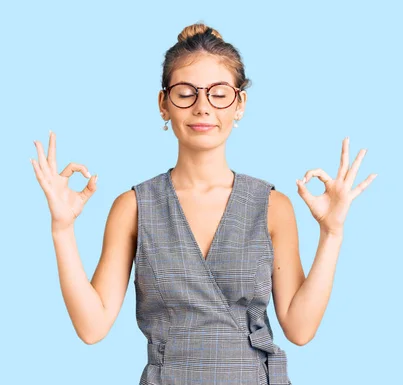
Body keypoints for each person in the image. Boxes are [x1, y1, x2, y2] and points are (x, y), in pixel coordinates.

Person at [30, 22, 377, 385]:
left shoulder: (272, 206)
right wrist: (62, 229)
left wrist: (332, 233)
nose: (202, 107)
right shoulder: (133, 207)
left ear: (239, 104)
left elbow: (301, 329)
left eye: (219, 93)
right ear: (164, 104)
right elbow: (92, 326)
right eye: (185, 93)